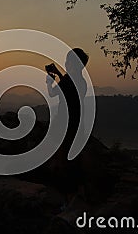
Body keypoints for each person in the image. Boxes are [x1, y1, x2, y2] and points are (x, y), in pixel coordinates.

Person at [45, 48, 89, 199]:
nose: (66, 62)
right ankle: (77, 192)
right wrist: (58, 75)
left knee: (62, 159)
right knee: (73, 159)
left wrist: (49, 81)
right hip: (77, 124)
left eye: (68, 60)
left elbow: (53, 93)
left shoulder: (68, 80)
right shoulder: (81, 81)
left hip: (64, 124)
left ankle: (66, 194)